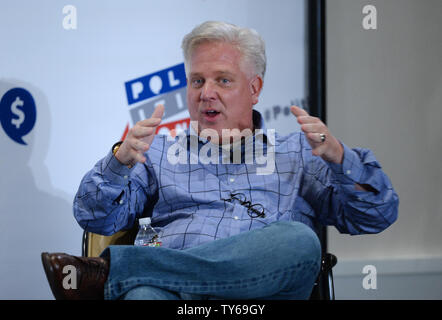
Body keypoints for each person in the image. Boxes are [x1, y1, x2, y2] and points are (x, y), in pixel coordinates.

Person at [42, 21, 398, 300]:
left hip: (262, 297)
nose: (205, 93)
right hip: (175, 299)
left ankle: (113, 274)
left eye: (222, 80)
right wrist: (119, 163)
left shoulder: (297, 154)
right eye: (197, 81)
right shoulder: (160, 154)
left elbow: (376, 215)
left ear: (255, 89)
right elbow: (95, 218)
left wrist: (340, 159)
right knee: (143, 295)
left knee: (298, 243)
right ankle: (141, 277)